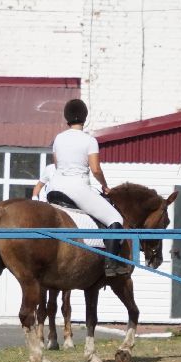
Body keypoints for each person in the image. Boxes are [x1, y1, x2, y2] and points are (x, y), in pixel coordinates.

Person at [47, 98, 128, 274]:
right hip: (77, 188)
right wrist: (105, 186)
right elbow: (96, 169)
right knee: (116, 220)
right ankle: (111, 265)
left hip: (53, 189)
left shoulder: (58, 139)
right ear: (84, 117)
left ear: (66, 118)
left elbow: (57, 164)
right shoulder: (89, 140)